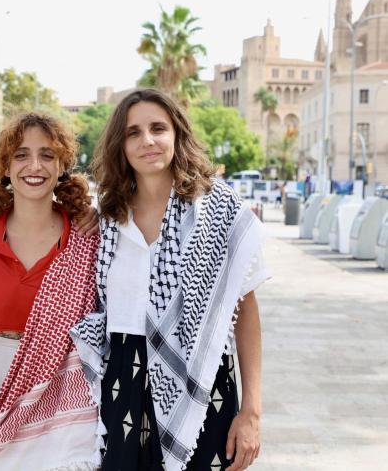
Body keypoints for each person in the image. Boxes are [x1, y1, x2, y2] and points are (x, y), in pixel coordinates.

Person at [75, 89, 268, 471]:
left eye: (158, 128)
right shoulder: (107, 218)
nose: (147, 140)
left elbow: (244, 312)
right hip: (123, 381)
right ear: (120, 145)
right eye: (133, 132)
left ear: (177, 134)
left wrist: (252, 411)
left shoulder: (217, 211)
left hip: (202, 381)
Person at [0, 113, 102, 470]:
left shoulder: (86, 238)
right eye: (21, 155)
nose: (35, 166)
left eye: (47, 155)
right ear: (5, 166)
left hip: (62, 389)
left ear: (62, 166)